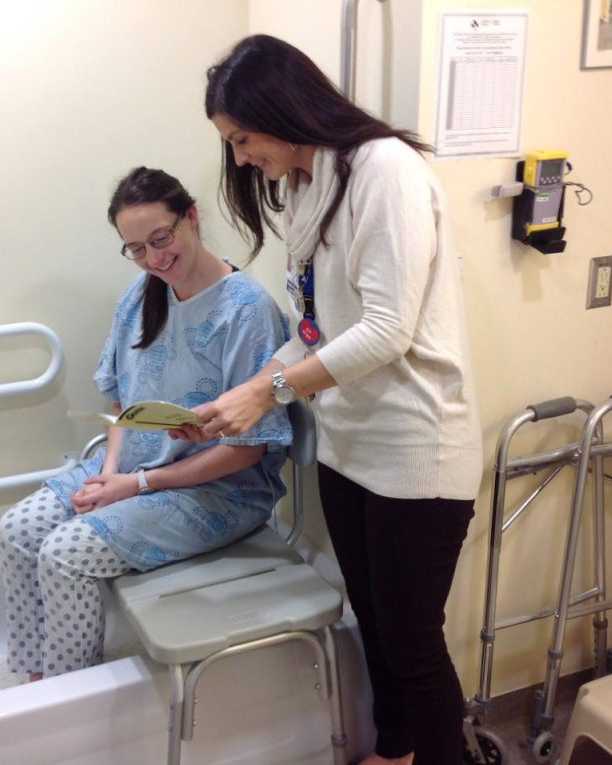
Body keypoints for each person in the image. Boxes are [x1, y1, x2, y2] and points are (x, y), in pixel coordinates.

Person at [194, 35, 483, 765]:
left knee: (414, 643)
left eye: (241, 138)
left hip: (418, 451)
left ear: (281, 109)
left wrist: (268, 390)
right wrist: (246, 390)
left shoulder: (386, 171)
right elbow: (318, 329)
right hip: (349, 448)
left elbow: (387, 330)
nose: (238, 158)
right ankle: (395, 753)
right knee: (375, 627)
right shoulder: (305, 185)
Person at [0, 166, 292, 681]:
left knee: (65, 554)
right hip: (130, 472)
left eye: (162, 238)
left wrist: (135, 485)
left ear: (191, 217)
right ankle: (35, 687)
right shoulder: (139, 295)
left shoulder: (247, 311)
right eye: (137, 249)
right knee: (17, 531)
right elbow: (120, 407)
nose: (154, 258)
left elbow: (248, 450)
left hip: (220, 492)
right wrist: (110, 473)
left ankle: (72, 699)